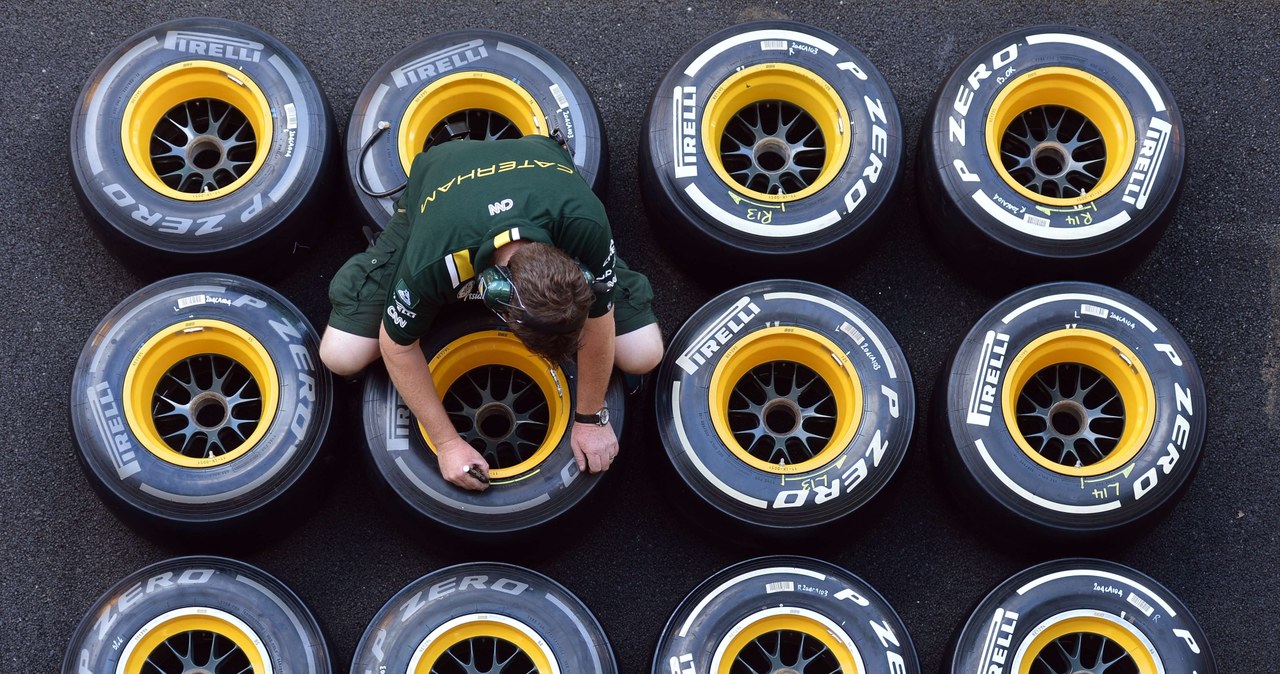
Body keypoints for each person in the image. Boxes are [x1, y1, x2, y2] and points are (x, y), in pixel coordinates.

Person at [320, 133, 663, 492]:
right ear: (493, 295)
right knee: (341, 355)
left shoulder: (584, 222)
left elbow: (600, 319)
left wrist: (591, 418)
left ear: (575, 265)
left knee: (643, 353)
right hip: (441, 178)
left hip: (540, 167)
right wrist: (447, 444)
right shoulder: (437, 258)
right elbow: (398, 347)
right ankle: (387, 262)